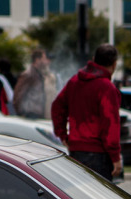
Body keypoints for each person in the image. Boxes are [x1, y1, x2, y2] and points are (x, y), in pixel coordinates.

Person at [51, 44, 123, 181]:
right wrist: (115, 156)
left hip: (76, 150)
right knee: (99, 198)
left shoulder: (74, 82)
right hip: (98, 153)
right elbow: (110, 123)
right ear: (114, 64)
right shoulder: (106, 88)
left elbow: (57, 107)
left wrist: (62, 134)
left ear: (94, 59)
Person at [14, 49, 57, 119]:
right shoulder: (28, 74)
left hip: (37, 115)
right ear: (37, 60)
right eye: (44, 58)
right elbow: (18, 96)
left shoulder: (38, 74)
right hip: (30, 115)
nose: (45, 61)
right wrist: (22, 114)